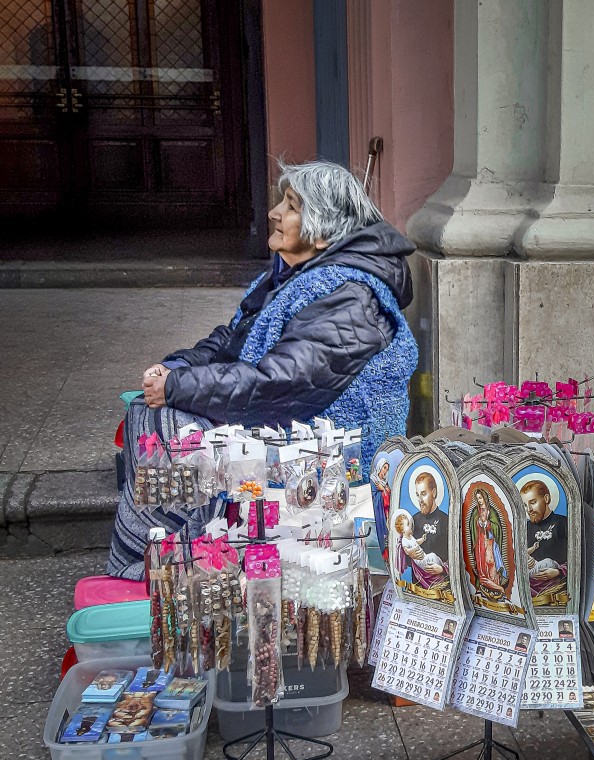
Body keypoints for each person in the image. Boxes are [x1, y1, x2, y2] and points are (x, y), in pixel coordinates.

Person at [108, 160, 418, 579]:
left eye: (290, 206)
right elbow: (232, 340)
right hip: (287, 422)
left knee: (175, 426)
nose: (274, 212)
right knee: (149, 411)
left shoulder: (350, 298)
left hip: (327, 465)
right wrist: (177, 367)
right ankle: (154, 559)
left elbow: (281, 387)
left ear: (322, 232)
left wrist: (179, 387)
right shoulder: (292, 277)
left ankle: (174, 568)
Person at [520, 479, 568, 606]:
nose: (529, 509)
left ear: (546, 499)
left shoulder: (564, 523)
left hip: (556, 591)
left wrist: (559, 572)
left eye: (533, 502)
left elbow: (577, 558)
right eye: (525, 505)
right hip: (529, 593)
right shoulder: (523, 528)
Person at [468, 487, 508, 599]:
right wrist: (478, 523)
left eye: (480, 498)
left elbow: (497, 528)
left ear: (485, 497)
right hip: (479, 543)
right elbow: (472, 527)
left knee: (491, 564)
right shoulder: (476, 511)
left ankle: (496, 587)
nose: (479, 500)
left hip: (490, 543)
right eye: (477, 498)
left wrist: (488, 523)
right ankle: (485, 587)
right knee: (481, 566)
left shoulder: (492, 512)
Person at [411, 472, 449, 568]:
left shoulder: (446, 521)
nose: (420, 500)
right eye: (417, 494)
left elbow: (454, 556)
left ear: (434, 492)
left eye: (424, 494)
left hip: (441, 581)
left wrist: (442, 569)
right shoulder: (413, 521)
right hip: (417, 581)